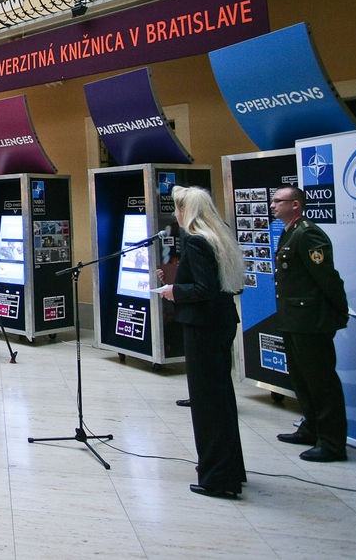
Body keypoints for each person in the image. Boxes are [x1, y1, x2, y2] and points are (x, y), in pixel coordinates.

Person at [156, 185, 247, 499]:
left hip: (203, 328)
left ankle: (217, 478)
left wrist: (174, 292)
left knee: (208, 405)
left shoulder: (195, 241)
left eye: (178, 209)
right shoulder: (217, 238)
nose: (175, 215)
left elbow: (203, 289)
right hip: (221, 324)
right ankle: (230, 468)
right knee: (221, 400)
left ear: (187, 211)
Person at [271, 184, 350, 463]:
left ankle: (332, 443)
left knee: (321, 381)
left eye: (279, 201)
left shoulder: (308, 233)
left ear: (295, 204)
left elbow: (326, 276)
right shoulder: (289, 232)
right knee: (301, 378)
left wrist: (339, 310)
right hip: (293, 319)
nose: (273, 205)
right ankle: (311, 428)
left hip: (311, 320)